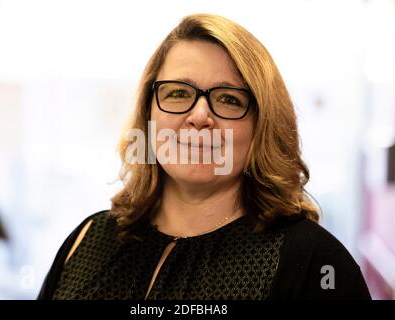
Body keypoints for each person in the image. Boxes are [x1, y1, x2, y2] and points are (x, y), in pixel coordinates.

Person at [38, 13, 371, 300]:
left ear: (261, 127)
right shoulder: (87, 240)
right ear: (149, 113)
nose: (200, 116)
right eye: (179, 93)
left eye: (228, 99)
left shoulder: (316, 262)